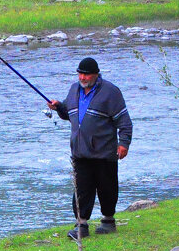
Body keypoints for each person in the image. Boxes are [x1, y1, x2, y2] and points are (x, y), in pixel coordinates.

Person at [47, 57, 132, 239]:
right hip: (80, 152)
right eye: (80, 73)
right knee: (81, 190)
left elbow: (124, 121)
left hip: (104, 153)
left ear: (95, 74)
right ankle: (81, 226)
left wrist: (123, 143)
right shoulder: (74, 90)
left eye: (86, 74)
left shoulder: (111, 92)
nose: (83, 77)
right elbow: (70, 115)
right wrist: (58, 107)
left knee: (107, 188)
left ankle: (108, 222)